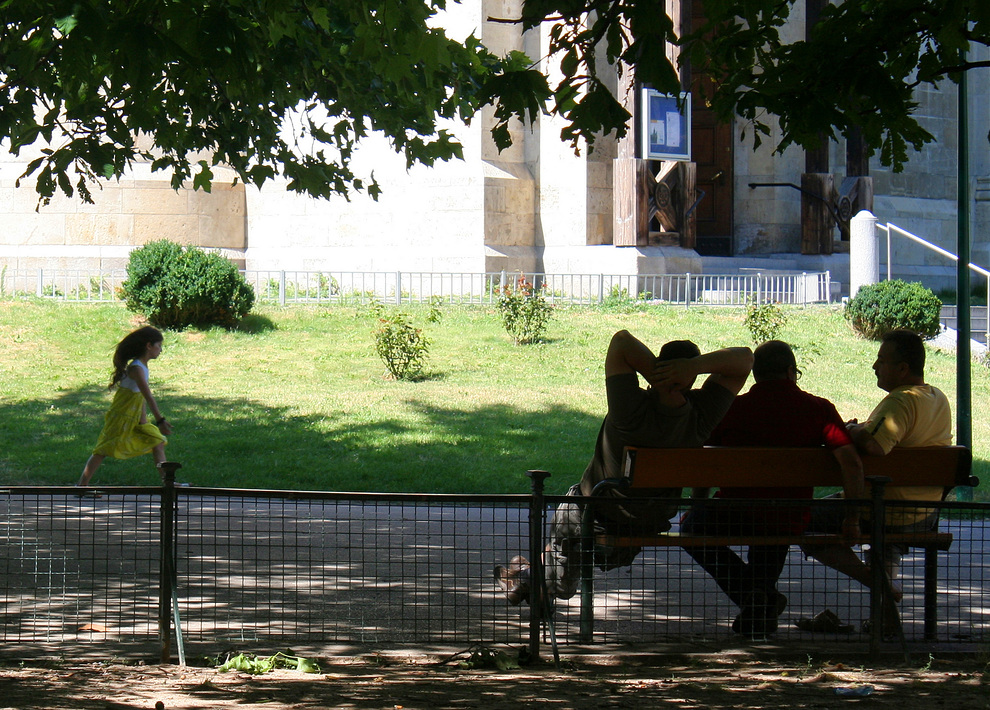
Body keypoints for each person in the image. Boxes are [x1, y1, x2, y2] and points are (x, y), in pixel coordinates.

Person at [495, 329, 753, 604]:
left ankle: (529, 578)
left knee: (570, 519)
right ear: (692, 378)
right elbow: (745, 359)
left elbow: (621, 341)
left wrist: (660, 374)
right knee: (567, 538)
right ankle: (526, 572)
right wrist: (693, 367)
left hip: (595, 517)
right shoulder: (701, 417)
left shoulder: (629, 408)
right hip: (646, 524)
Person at [679, 340, 863, 639]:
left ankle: (757, 599)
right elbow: (851, 464)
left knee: (691, 529)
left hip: (735, 514)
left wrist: (698, 506)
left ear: (756, 374)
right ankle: (761, 598)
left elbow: (706, 463)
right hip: (789, 515)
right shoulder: (819, 409)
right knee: (776, 520)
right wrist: (852, 517)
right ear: (791, 372)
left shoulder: (732, 409)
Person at [801, 329, 952, 611]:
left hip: (887, 509)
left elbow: (874, 447)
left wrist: (851, 430)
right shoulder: (937, 397)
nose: (874, 366)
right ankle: (884, 618)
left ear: (903, 369)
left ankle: (879, 584)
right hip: (925, 513)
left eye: (881, 360)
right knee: (876, 533)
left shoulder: (901, 400)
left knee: (803, 521)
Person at [76, 326, 174, 495]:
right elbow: (147, 396)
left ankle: (168, 484)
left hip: (134, 418)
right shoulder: (136, 368)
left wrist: (143, 421)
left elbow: (139, 398)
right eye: (159, 345)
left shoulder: (141, 366)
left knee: (158, 442)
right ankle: (81, 486)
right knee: (103, 450)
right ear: (149, 346)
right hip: (121, 416)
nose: (161, 350)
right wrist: (160, 420)